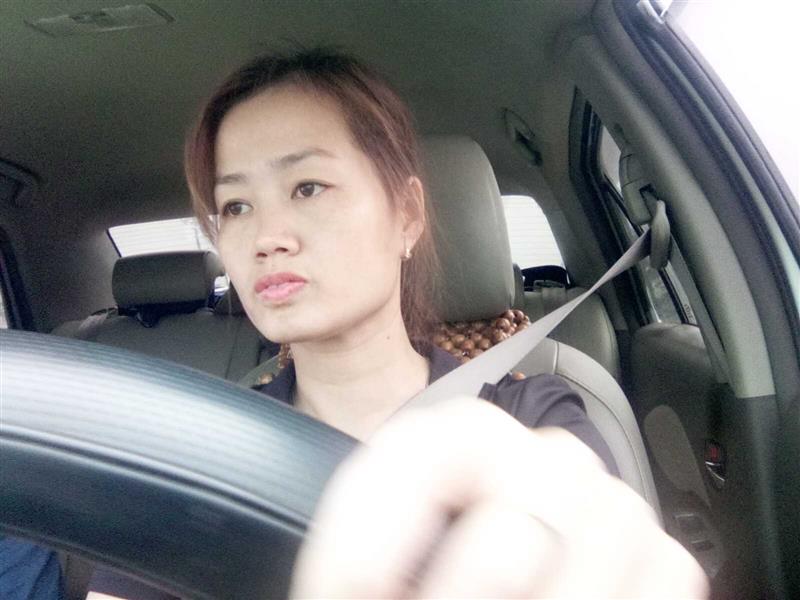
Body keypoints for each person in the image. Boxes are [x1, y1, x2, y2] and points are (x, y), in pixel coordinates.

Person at [184, 47, 708, 598]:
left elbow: (580, 506)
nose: (266, 238)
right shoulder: (214, 452)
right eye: (235, 206)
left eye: (307, 187)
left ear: (407, 214)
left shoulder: (530, 414)